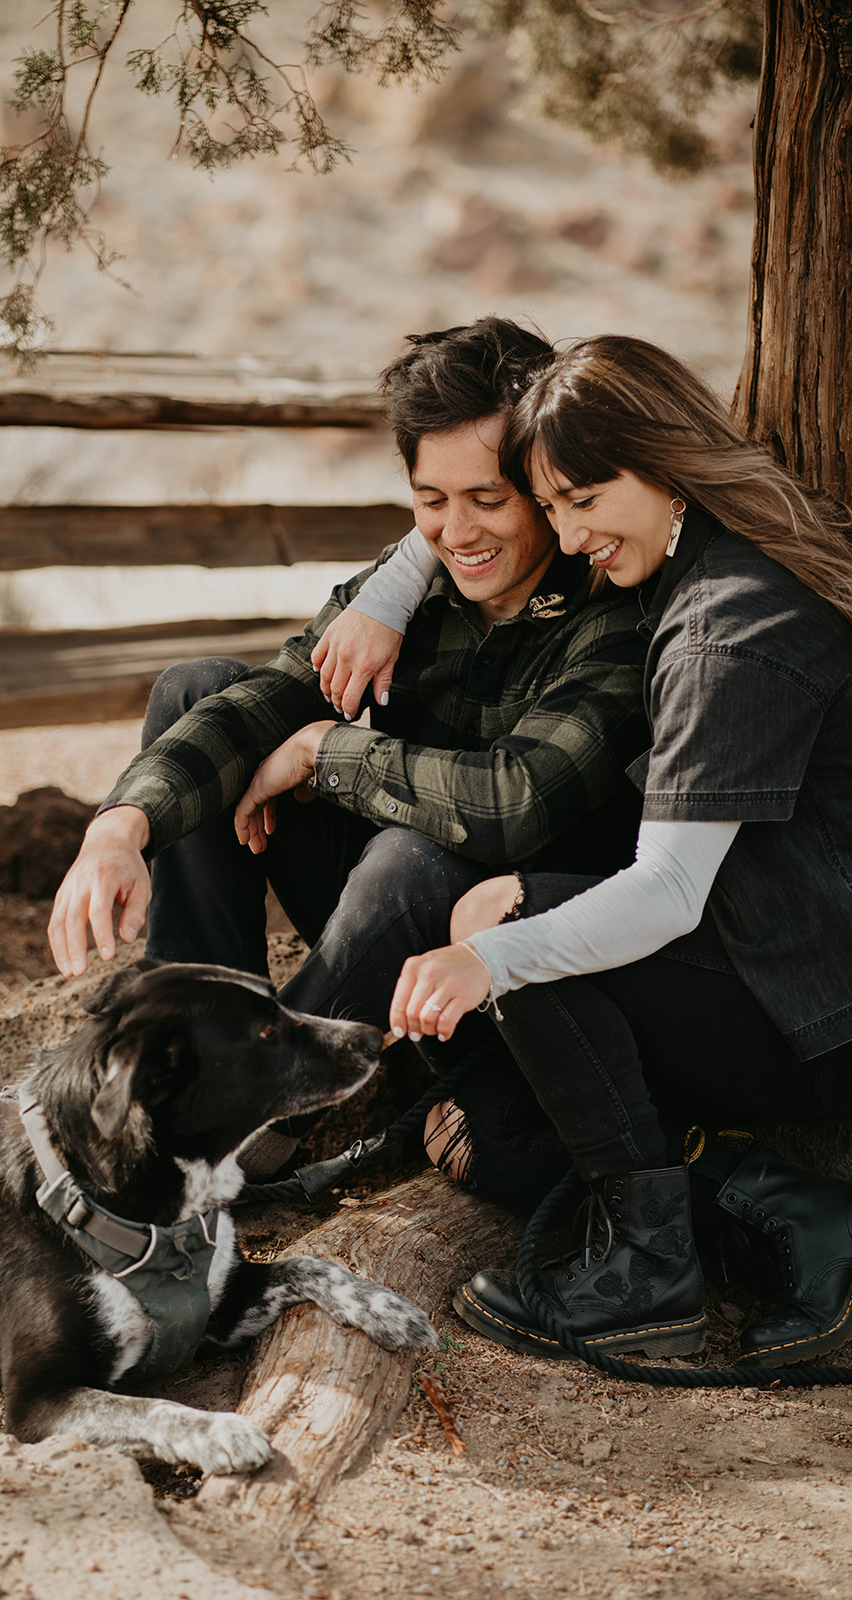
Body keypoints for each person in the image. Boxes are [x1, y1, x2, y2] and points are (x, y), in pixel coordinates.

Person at [47, 318, 651, 1187]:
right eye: (430, 500)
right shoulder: (408, 587)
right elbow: (267, 699)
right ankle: (184, 1030)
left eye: (487, 498)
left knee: (415, 855)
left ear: (543, 480)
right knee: (198, 687)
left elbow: (512, 807)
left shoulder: (611, 605)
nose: (457, 531)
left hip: (501, 968)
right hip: (370, 924)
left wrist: (328, 754)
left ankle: (253, 1114)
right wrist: (120, 825)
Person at [375, 333, 852, 1367]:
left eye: (583, 499)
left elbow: (670, 893)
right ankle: (787, 1214)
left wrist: (486, 959)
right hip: (787, 963)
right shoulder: (705, 558)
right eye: (548, 507)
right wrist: (387, 587)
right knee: (502, 1073)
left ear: (662, 463)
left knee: (509, 933)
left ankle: (646, 1273)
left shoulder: (728, 626)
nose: (567, 530)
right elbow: (459, 519)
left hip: (816, 1011)